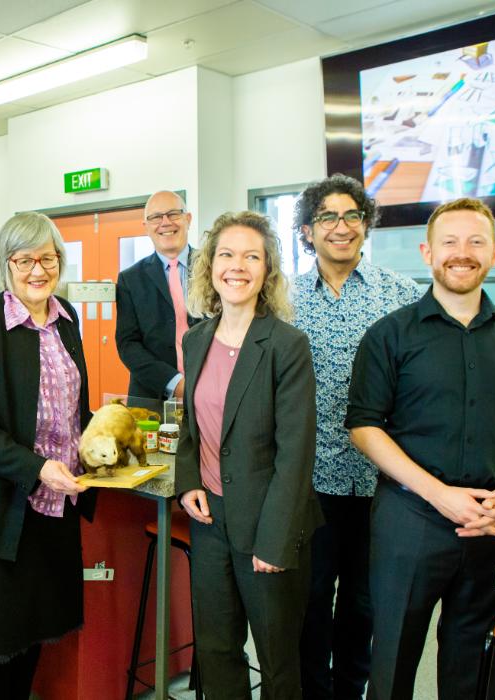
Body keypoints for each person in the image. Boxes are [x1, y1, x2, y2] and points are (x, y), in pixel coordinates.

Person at [347, 197, 495, 700]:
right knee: (393, 656)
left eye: (476, 242)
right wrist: (439, 494)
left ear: (494, 253)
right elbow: (364, 428)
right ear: (428, 251)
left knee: (470, 659)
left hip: (493, 522)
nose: (462, 253)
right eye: (450, 242)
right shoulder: (389, 336)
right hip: (410, 523)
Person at [0, 211, 96, 700]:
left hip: (54, 510)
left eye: (47, 258)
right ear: (5, 264)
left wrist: (99, 447)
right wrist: (38, 469)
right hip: (0, 511)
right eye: (23, 258)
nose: (37, 269)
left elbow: (77, 410)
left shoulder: (68, 320)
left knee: (32, 629)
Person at [176, 210, 320, 699]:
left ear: (267, 270)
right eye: (226, 254)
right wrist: (189, 480)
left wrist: (275, 541)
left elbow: (296, 452)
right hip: (211, 521)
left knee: (278, 659)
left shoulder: (286, 345)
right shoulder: (195, 339)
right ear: (210, 265)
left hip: (268, 526)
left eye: (251, 256)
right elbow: (191, 428)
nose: (237, 266)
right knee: (217, 651)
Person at [290, 174, 422, 700]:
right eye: (327, 217)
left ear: (365, 224)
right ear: (307, 231)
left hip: (380, 483)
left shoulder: (403, 295)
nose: (340, 227)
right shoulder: (284, 297)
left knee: (366, 604)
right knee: (310, 600)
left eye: (351, 216)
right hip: (308, 479)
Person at [115, 189, 198, 401]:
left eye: (173, 214)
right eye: (155, 217)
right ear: (146, 227)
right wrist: (175, 383)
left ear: (188, 219)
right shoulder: (130, 279)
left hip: (212, 393)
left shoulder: (215, 268)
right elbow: (128, 344)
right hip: (152, 397)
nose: (165, 222)